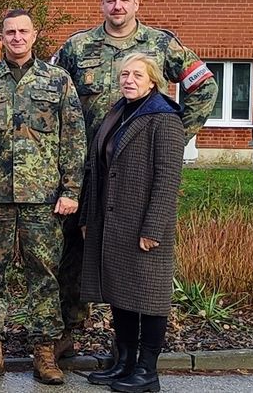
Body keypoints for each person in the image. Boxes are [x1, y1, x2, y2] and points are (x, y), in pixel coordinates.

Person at [52, 0, 217, 358]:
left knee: (131, 258)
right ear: (102, 4)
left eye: (125, 0)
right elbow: (52, 95)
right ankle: (68, 331)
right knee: (75, 253)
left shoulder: (161, 44)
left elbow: (204, 86)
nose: (118, 7)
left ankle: (125, 348)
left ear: (137, 4)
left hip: (135, 172)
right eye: (111, 0)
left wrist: (174, 134)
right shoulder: (78, 47)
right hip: (86, 170)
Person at [0, 9, 86, 385]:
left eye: (23, 31)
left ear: (34, 34)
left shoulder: (58, 81)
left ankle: (44, 352)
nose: (17, 37)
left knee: (43, 275)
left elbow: (74, 140)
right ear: (2, 36)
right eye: (10, 32)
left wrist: (71, 190)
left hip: (43, 199)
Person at [80, 53, 186, 392]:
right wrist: (87, 216)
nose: (128, 80)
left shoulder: (164, 118)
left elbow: (168, 178)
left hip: (144, 224)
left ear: (153, 80)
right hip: (113, 220)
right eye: (125, 74)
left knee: (150, 298)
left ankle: (147, 372)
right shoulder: (119, 112)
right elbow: (97, 168)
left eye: (137, 75)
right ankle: (124, 363)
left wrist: (153, 228)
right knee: (121, 294)